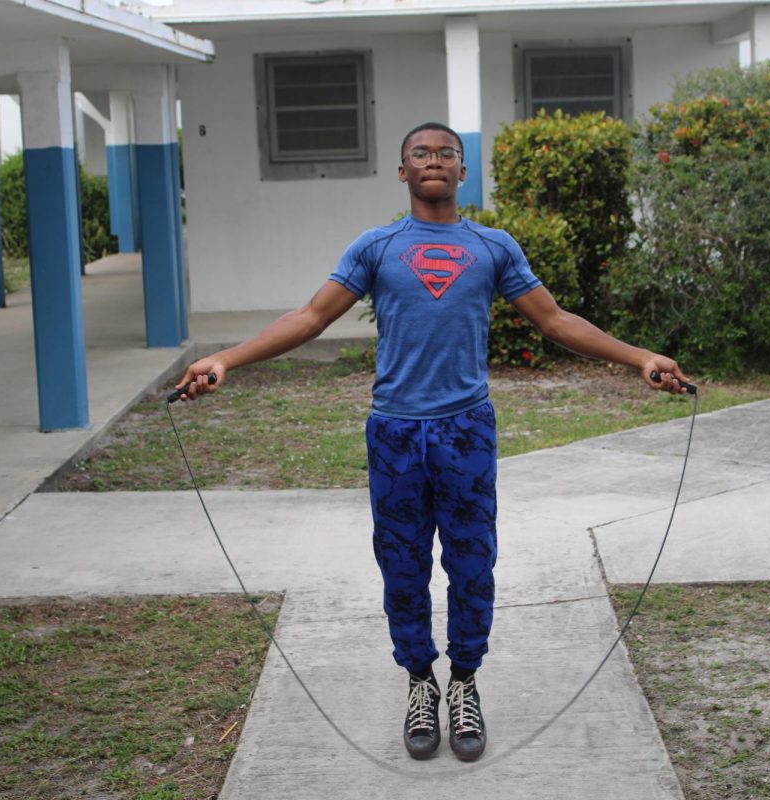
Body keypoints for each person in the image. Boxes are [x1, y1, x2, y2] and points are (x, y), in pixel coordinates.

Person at [174, 121, 691, 763]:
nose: (434, 161)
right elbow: (310, 318)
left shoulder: (493, 248)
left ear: (462, 171)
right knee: (403, 566)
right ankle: (420, 682)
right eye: (420, 153)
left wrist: (639, 357)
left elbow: (555, 320)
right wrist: (226, 358)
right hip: (394, 432)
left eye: (447, 153)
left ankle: (465, 682)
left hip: (466, 430)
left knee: (473, 564)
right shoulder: (377, 246)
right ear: (403, 172)